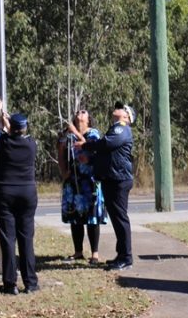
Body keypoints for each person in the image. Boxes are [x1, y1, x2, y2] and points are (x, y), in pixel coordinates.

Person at [0, 98, 39, 295]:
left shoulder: (1, 141)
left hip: (4, 193)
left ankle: (10, 284)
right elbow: (15, 133)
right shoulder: (32, 144)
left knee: (8, 239)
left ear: (11, 128)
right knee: (26, 239)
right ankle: (31, 282)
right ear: (24, 128)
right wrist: (9, 122)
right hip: (27, 193)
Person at [58, 108, 107, 264]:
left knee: (92, 218)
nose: (80, 113)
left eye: (84, 112)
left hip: (90, 181)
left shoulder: (93, 134)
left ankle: (95, 253)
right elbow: (60, 150)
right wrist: (63, 171)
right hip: (73, 181)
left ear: (88, 120)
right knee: (75, 217)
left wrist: (76, 132)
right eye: (78, 112)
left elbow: (92, 148)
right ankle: (78, 251)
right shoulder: (68, 134)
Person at [93, 102, 136, 271]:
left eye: (121, 108)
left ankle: (127, 258)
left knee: (120, 219)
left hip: (119, 180)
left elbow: (106, 144)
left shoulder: (122, 128)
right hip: (112, 178)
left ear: (126, 116)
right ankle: (121, 254)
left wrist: (86, 145)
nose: (117, 108)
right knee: (117, 219)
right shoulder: (115, 128)